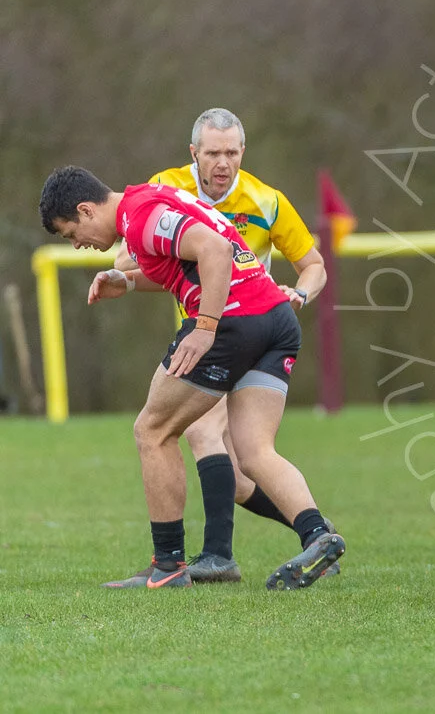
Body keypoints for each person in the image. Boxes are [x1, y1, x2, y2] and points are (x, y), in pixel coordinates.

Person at [39, 166, 344, 590]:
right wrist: (125, 283)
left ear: (86, 210)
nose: (76, 245)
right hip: (275, 319)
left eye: (70, 233)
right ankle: (318, 535)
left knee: (152, 429)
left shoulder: (140, 214)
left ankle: (168, 565)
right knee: (254, 451)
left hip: (233, 322)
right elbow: (181, 267)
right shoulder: (149, 203)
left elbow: (214, 250)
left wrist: (205, 327)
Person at [113, 107, 331, 583]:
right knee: (236, 472)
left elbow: (313, 264)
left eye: (231, 152)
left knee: (201, 435)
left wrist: (300, 292)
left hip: (239, 329)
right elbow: (133, 257)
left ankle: (216, 557)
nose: (222, 163)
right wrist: (124, 278)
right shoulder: (166, 187)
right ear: (194, 153)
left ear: (242, 153)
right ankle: (315, 532)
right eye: (212, 152)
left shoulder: (267, 199)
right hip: (206, 332)